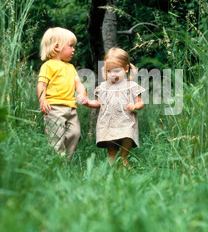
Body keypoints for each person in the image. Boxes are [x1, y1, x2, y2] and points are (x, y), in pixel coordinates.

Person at [78, 47, 145, 168]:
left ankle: (124, 158)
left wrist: (135, 105)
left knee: (127, 136)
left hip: (126, 121)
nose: (112, 74)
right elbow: (98, 103)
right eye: (109, 71)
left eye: (116, 71)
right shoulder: (103, 86)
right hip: (108, 122)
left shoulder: (132, 86)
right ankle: (113, 166)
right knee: (111, 147)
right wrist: (87, 102)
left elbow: (140, 102)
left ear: (126, 69)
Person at [37, 27, 87, 162]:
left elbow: (78, 84)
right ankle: (56, 163)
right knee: (56, 137)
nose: (73, 49)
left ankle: (66, 161)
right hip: (54, 108)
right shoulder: (48, 66)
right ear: (57, 47)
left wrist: (83, 93)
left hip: (71, 108)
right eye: (71, 46)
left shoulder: (70, 67)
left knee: (75, 134)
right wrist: (42, 101)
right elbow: (42, 85)